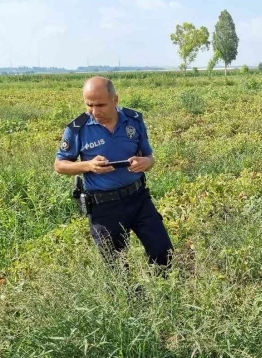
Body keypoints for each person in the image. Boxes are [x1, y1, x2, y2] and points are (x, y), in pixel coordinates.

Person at [54, 76, 173, 270]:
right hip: (104, 206)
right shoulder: (77, 128)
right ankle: (130, 299)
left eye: (100, 105)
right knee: (116, 265)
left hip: (138, 198)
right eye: (89, 105)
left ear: (115, 100)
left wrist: (146, 162)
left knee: (162, 251)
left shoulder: (133, 121)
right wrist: (88, 165)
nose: (94, 111)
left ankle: (162, 293)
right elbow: (60, 165)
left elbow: (149, 158)